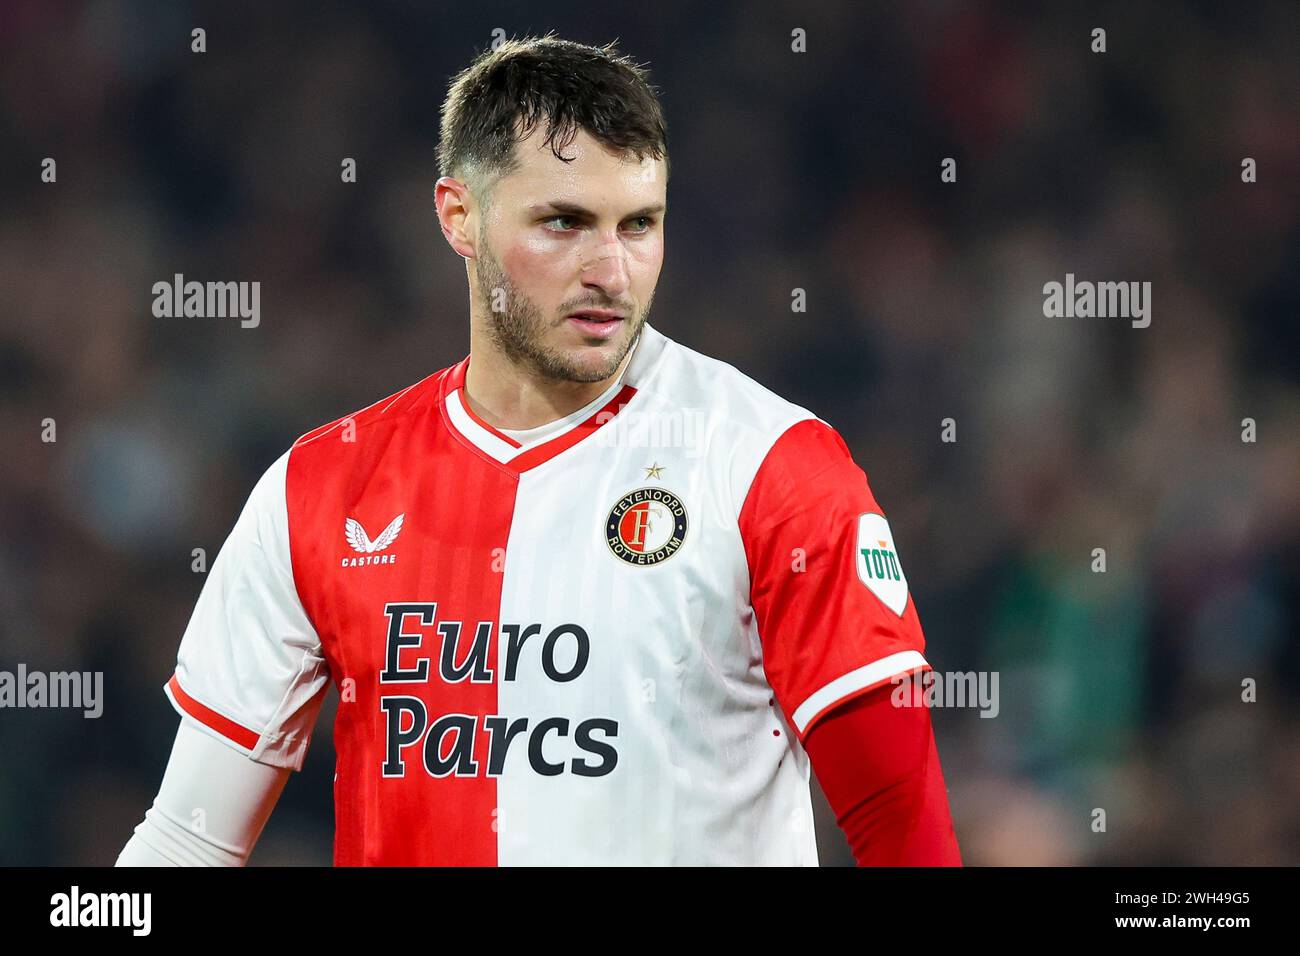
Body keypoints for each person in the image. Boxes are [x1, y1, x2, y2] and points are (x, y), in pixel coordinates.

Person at [116, 34, 960, 866]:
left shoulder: (771, 465)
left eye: (639, 224)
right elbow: (189, 840)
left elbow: (901, 825)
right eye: (565, 223)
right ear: (459, 217)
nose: (612, 271)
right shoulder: (319, 488)